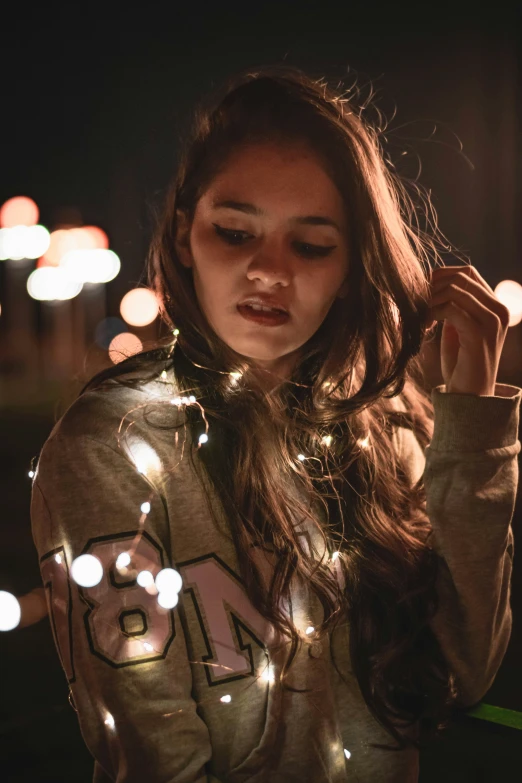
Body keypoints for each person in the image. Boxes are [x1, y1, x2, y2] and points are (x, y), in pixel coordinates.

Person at [30, 65, 521, 783]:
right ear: (184, 233)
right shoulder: (113, 443)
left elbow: (463, 674)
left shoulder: (384, 429)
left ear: (353, 264)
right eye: (235, 231)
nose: (269, 270)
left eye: (312, 244)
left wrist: (473, 416)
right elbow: (155, 750)